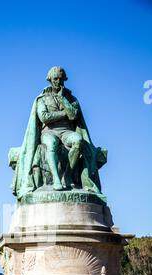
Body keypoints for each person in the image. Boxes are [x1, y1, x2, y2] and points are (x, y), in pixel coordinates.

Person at [11, 66, 107, 200]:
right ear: (50, 79)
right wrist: (64, 113)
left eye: (61, 79)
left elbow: (73, 116)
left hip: (66, 131)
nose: (58, 81)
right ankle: (56, 179)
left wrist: (63, 100)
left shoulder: (71, 98)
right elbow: (44, 117)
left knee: (78, 140)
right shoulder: (42, 98)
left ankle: (67, 176)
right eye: (55, 78)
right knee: (51, 144)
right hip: (49, 131)